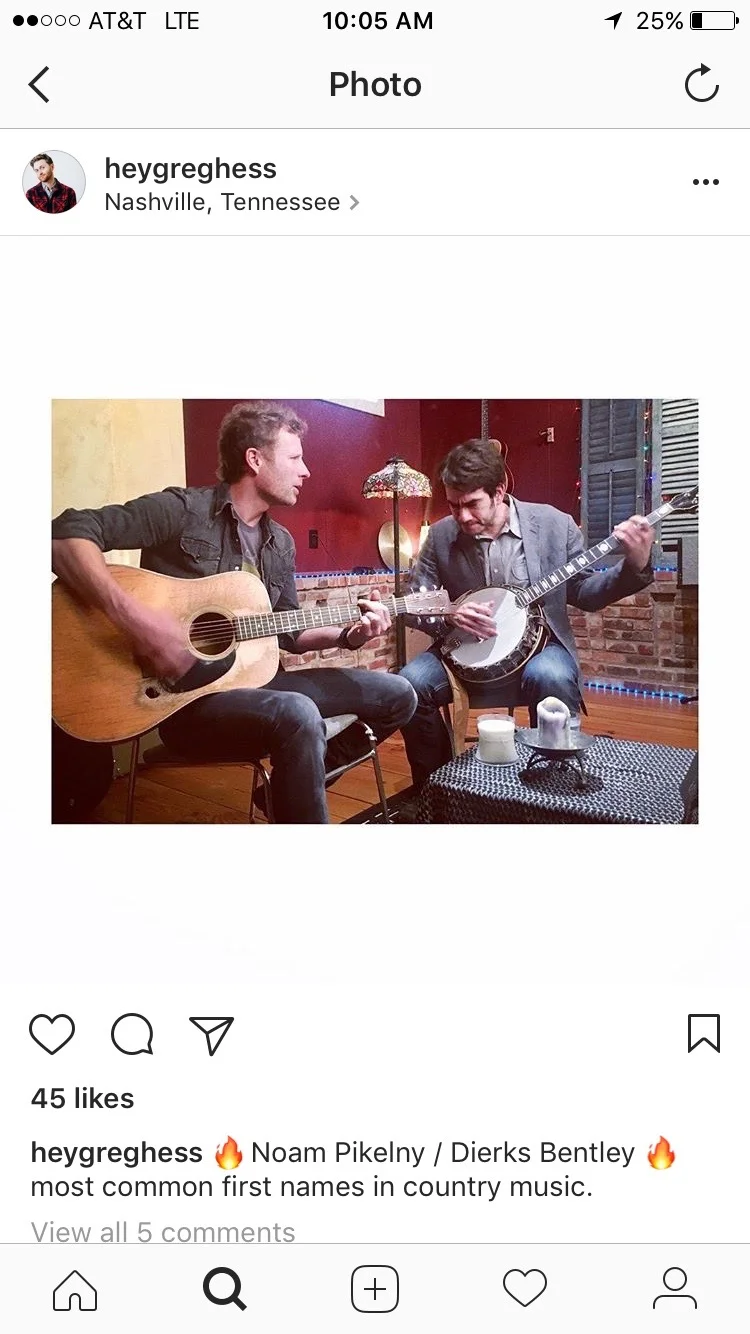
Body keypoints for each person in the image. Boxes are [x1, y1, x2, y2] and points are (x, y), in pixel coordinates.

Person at [52, 401, 416, 823]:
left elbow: (290, 634)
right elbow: (64, 534)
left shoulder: (280, 543)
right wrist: (141, 625)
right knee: (298, 711)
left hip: (261, 683)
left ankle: (284, 794)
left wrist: (350, 635)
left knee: (399, 694)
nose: (306, 471)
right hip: (185, 702)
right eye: (295, 458)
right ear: (255, 459)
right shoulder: (183, 510)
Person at [399, 438, 655, 792]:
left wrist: (634, 565)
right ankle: (438, 788)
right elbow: (413, 601)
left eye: (472, 504)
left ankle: (553, 789)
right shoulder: (441, 535)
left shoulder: (554, 525)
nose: (462, 516)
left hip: (541, 648)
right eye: (454, 505)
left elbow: (584, 593)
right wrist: (449, 614)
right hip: (461, 652)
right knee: (410, 684)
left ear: (499, 491)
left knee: (552, 675)